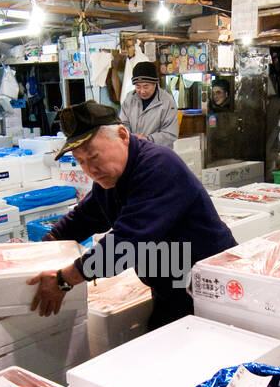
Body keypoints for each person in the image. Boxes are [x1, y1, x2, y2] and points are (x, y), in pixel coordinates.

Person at [28, 101, 236, 330]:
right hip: (171, 289)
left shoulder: (159, 166)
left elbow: (127, 243)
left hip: (212, 291)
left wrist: (64, 279)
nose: (90, 170)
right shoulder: (110, 180)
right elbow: (81, 219)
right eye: (81, 162)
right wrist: (38, 252)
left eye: (94, 156)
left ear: (122, 135)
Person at [119, 61, 179, 147]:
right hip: (135, 151)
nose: (142, 91)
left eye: (146, 86)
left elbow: (170, 134)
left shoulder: (167, 101)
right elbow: (123, 123)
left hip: (157, 153)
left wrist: (147, 140)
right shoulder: (129, 99)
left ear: (155, 84)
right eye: (138, 86)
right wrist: (130, 138)